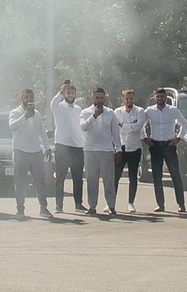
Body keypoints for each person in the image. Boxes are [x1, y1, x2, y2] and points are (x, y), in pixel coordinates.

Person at [8, 89, 51, 217]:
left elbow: (42, 132)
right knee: (20, 182)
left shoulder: (37, 114)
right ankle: (20, 209)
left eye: (31, 97)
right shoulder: (15, 112)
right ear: (21, 98)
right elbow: (12, 126)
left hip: (36, 152)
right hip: (20, 152)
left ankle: (43, 208)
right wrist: (25, 116)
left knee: (40, 182)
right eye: (26, 97)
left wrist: (47, 147)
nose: (29, 99)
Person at [82, 87, 123, 216]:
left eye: (101, 98)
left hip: (106, 150)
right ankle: (92, 206)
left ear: (104, 98)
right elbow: (82, 127)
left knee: (109, 180)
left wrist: (119, 149)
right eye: (96, 97)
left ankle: (111, 205)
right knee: (92, 179)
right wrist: (94, 115)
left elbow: (115, 133)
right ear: (92, 97)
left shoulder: (110, 113)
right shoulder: (85, 112)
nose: (99, 100)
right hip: (90, 150)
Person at [145, 86, 187, 212]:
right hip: (155, 145)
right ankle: (161, 204)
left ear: (166, 98)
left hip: (169, 145)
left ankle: (181, 204)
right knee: (157, 176)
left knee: (175, 174)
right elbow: (141, 124)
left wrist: (178, 138)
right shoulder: (149, 111)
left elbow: (184, 123)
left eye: (162, 96)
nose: (160, 99)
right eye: (158, 96)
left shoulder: (173, 110)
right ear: (154, 97)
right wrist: (145, 138)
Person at [51, 80, 87, 213]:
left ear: (75, 94)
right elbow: (52, 104)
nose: (70, 94)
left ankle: (78, 204)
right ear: (64, 93)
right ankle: (58, 206)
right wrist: (60, 92)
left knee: (78, 177)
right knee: (60, 176)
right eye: (68, 92)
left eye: (72, 92)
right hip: (62, 146)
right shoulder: (59, 107)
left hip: (78, 146)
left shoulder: (79, 109)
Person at [116, 89, 147, 206]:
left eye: (131, 98)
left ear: (134, 99)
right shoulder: (117, 112)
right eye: (127, 98)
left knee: (133, 176)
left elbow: (139, 126)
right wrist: (130, 127)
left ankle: (131, 203)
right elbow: (115, 128)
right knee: (116, 176)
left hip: (135, 148)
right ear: (122, 99)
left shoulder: (140, 111)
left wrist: (123, 126)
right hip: (121, 147)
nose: (129, 101)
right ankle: (111, 202)